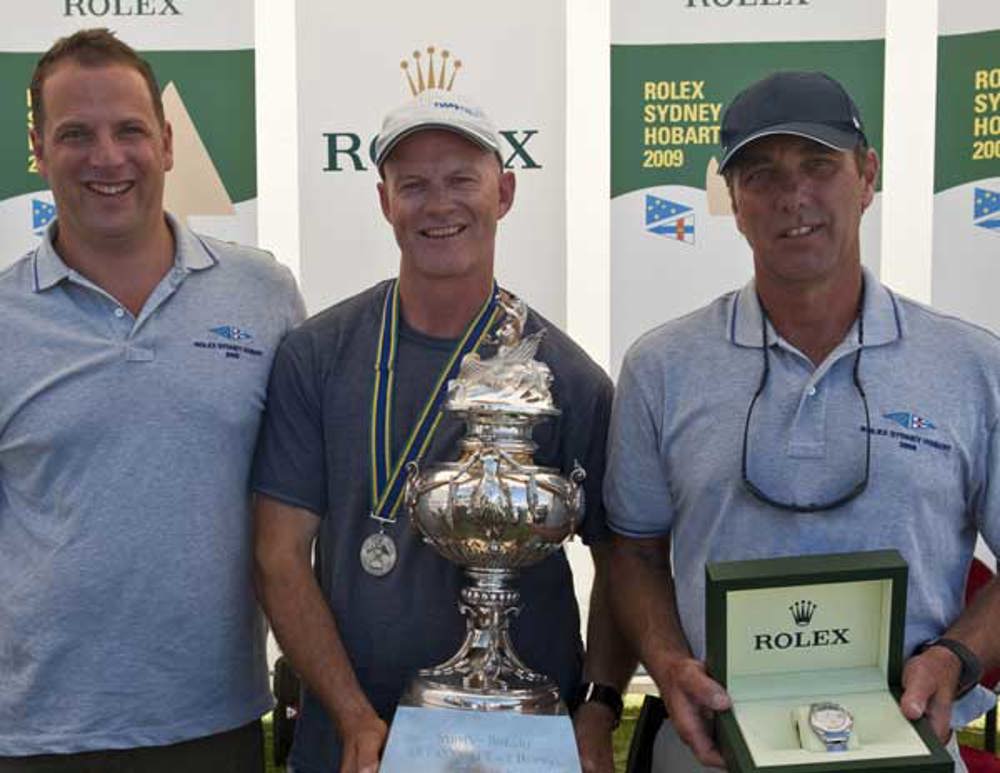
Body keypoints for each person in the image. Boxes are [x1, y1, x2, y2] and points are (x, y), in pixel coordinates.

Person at [606, 70, 1000, 772]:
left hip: (905, 744)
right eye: (761, 174)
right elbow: (633, 551)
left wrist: (955, 655)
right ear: (733, 198)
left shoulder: (971, 364)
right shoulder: (663, 364)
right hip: (712, 745)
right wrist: (668, 664)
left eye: (819, 165)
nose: (793, 197)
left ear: (867, 175)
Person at [252, 89, 634, 773]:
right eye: (414, 185)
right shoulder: (317, 355)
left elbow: (623, 559)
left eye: (461, 179)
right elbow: (279, 554)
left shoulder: (565, 377)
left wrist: (599, 707)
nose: (438, 204)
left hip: (522, 741)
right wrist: (351, 716)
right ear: (384, 201)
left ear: (505, 191)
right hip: (355, 741)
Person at [0, 29, 304, 771]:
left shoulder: (263, 294)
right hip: (38, 732)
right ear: (36, 149)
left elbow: (299, 506)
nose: (107, 157)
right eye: (75, 134)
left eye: (129, 130)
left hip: (213, 719)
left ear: (167, 143)